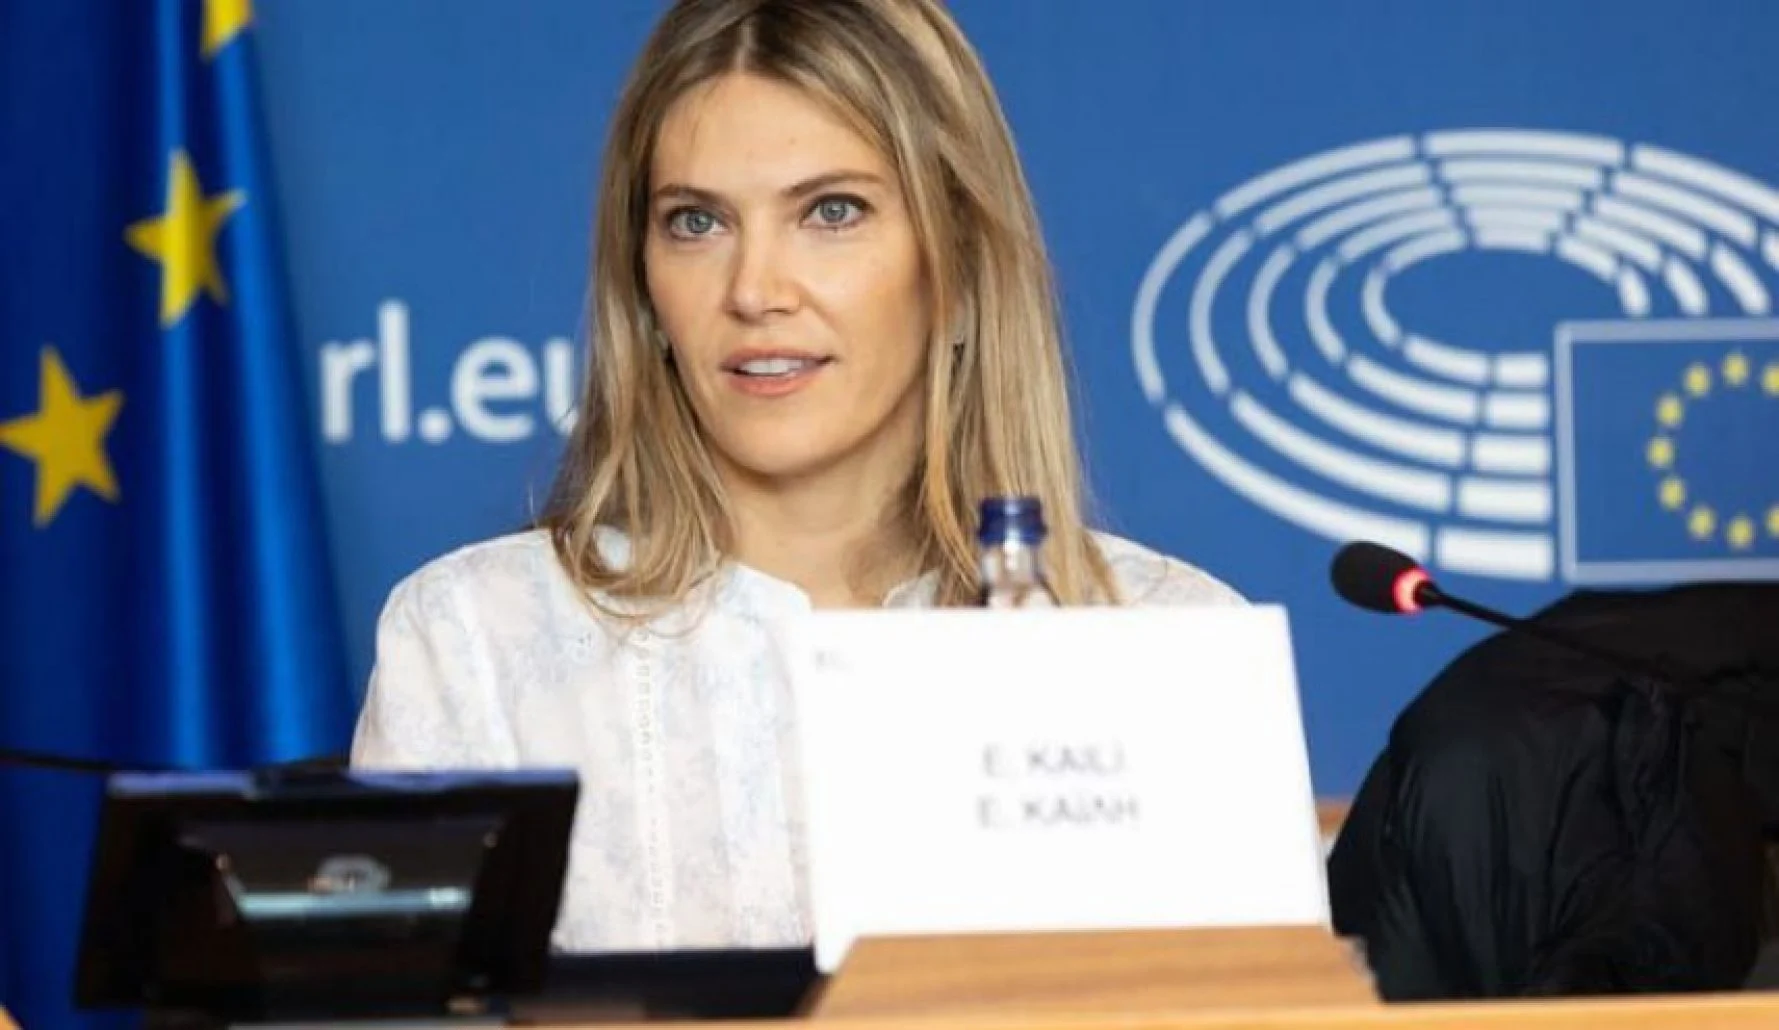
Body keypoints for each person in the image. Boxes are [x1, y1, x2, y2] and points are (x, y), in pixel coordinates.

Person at [350, 0, 1243, 954]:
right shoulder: (473, 642)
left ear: (960, 266)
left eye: (831, 212)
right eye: (696, 222)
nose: (754, 290)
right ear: (643, 286)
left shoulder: (1169, 638)